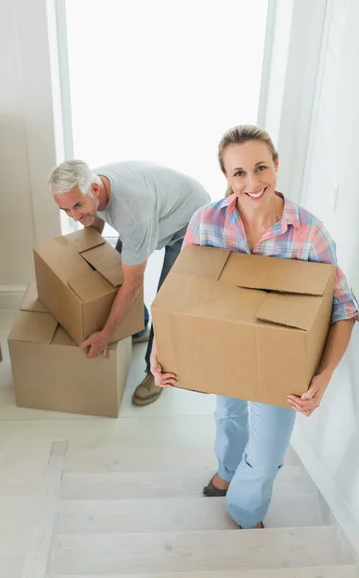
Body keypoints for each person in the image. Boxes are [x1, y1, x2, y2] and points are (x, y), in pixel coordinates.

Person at [150, 125, 357, 528]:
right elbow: (180, 296)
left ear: (276, 166)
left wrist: (324, 375)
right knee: (228, 413)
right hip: (225, 348)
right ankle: (227, 471)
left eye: (261, 168)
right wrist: (162, 353)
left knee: (266, 455)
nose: (252, 182)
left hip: (282, 362)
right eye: (239, 173)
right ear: (227, 178)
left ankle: (244, 511)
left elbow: (344, 309)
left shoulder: (309, 234)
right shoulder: (207, 222)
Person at [48, 160, 210, 406]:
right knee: (115, 269)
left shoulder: (132, 216)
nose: (75, 216)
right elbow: (95, 220)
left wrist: (106, 334)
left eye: (77, 206)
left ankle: (156, 373)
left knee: (166, 303)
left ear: (95, 189)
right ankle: (139, 327)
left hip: (191, 220)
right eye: (66, 210)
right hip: (159, 206)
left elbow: (133, 285)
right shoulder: (90, 187)